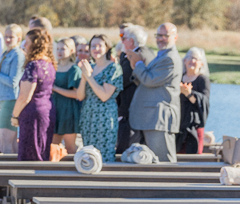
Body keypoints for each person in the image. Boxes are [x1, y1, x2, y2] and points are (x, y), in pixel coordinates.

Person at [124, 23, 182, 162]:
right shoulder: (161, 56)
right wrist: (136, 66)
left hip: (159, 119)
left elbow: (149, 80)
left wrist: (138, 64)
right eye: (158, 35)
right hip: (152, 119)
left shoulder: (170, 59)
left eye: (165, 36)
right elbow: (147, 81)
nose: (161, 39)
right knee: (155, 163)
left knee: (164, 162)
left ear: (175, 37)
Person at [76, 35, 123, 162]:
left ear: (107, 48)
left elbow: (104, 95)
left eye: (99, 46)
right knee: (88, 155)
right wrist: (84, 77)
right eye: (93, 46)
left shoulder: (113, 68)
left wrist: (89, 77)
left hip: (104, 117)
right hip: (88, 115)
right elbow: (80, 96)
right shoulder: (90, 67)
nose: (96, 49)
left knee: (104, 154)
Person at [12, 28, 57, 161]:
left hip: (33, 114)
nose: (24, 45)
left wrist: (14, 115)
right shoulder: (50, 64)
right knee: (42, 150)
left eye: (27, 42)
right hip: (48, 110)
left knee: (30, 153)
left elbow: (24, 96)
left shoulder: (33, 65)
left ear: (35, 45)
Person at [117, 25, 154, 153]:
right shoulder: (150, 53)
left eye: (123, 37)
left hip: (131, 111)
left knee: (125, 151)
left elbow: (121, 82)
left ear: (131, 41)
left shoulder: (133, 56)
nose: (121, 41)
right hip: (146, 112)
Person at [0, 25, 25, 154]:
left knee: (5, 142)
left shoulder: (18, 55)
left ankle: (6, 173)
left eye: (11, 37)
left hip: (11, 99)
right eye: (6, 36)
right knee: (10, 142)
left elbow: (13, 81)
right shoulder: (6, 53)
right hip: (3, 98)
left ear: (18, 38)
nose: (7, 39)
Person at [50, 38, 82, 154]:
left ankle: (72, 168)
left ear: (72, 50)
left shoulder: (74, 69)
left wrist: (56, 88)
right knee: (53, 146)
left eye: (63, 49)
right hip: (54, 108)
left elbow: (76, 94)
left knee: (70, 147)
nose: (59, 51)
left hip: (69, 110)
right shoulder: (54, 67)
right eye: (57, 49)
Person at [177, 47, 210, 155]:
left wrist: (189, 94)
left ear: (201, 64)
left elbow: (204, 102)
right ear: (184, 61)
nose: (192, 61)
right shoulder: (178, 78)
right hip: (178, 124)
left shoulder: (202, 80)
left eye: (196, 59)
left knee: (193, 155)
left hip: (194, 126)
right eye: (190, 58)